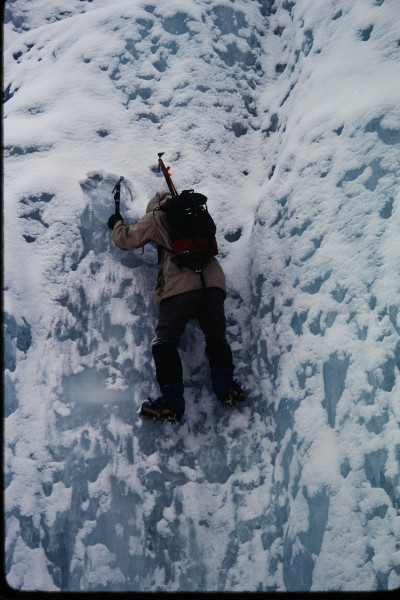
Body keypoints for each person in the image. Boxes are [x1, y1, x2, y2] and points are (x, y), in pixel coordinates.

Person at [108, 189, 245, 423]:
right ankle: (226, 388)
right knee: (216, 338)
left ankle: (172, 403)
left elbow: (126, 240)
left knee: (165, 341)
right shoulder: (196, 216)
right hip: (213, 285)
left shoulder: (155, 217)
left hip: (180, 289)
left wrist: (116, 223)